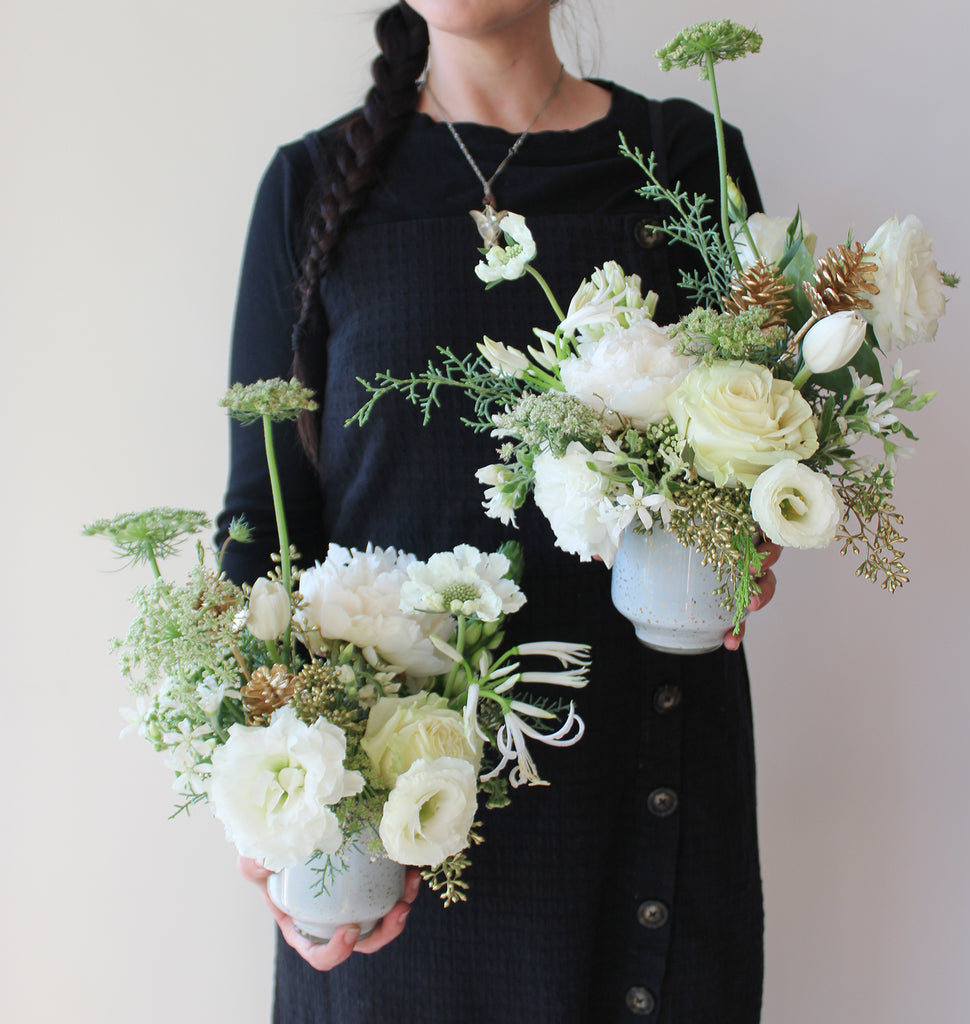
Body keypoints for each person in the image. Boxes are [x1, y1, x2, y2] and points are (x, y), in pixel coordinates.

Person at [218, 2, 779, 1021]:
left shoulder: (687, 157)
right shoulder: (310, 189)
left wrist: (752, 536)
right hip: (395, 847)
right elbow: (262, 530)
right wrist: (275, 813)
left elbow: (747, 465)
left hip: (640, 816)